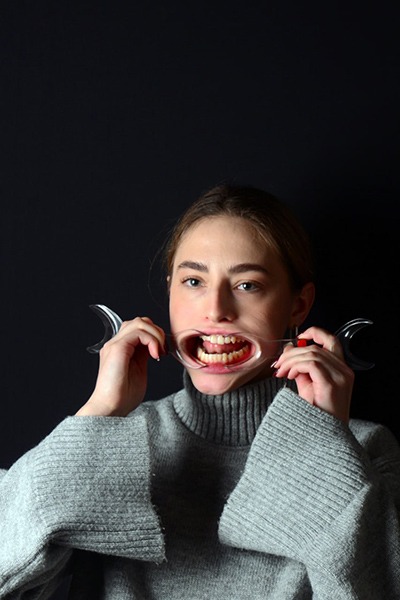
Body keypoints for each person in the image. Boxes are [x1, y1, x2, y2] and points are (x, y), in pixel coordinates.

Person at [1, 184, 400, 599]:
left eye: (247, 285)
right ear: (170, 290)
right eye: (193, 281)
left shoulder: (368, 450)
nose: (215, 310)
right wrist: (98, 413)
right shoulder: (108, 445)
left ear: (298, 305)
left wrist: (325, 449)